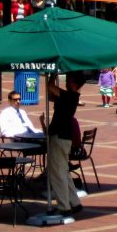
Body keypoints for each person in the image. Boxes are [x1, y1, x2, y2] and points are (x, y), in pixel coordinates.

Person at [44, 72, 85, 217]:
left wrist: (52, 75)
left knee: (56, 172)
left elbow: (49, 86)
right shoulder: (69, 96)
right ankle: (74, 202)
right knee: (63, 171)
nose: (67, 81)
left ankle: (64, 206)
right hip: (63, 137)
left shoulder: (70, 96)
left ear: (74, 83)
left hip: (60, 136)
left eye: (69, 79)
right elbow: (50, 95)